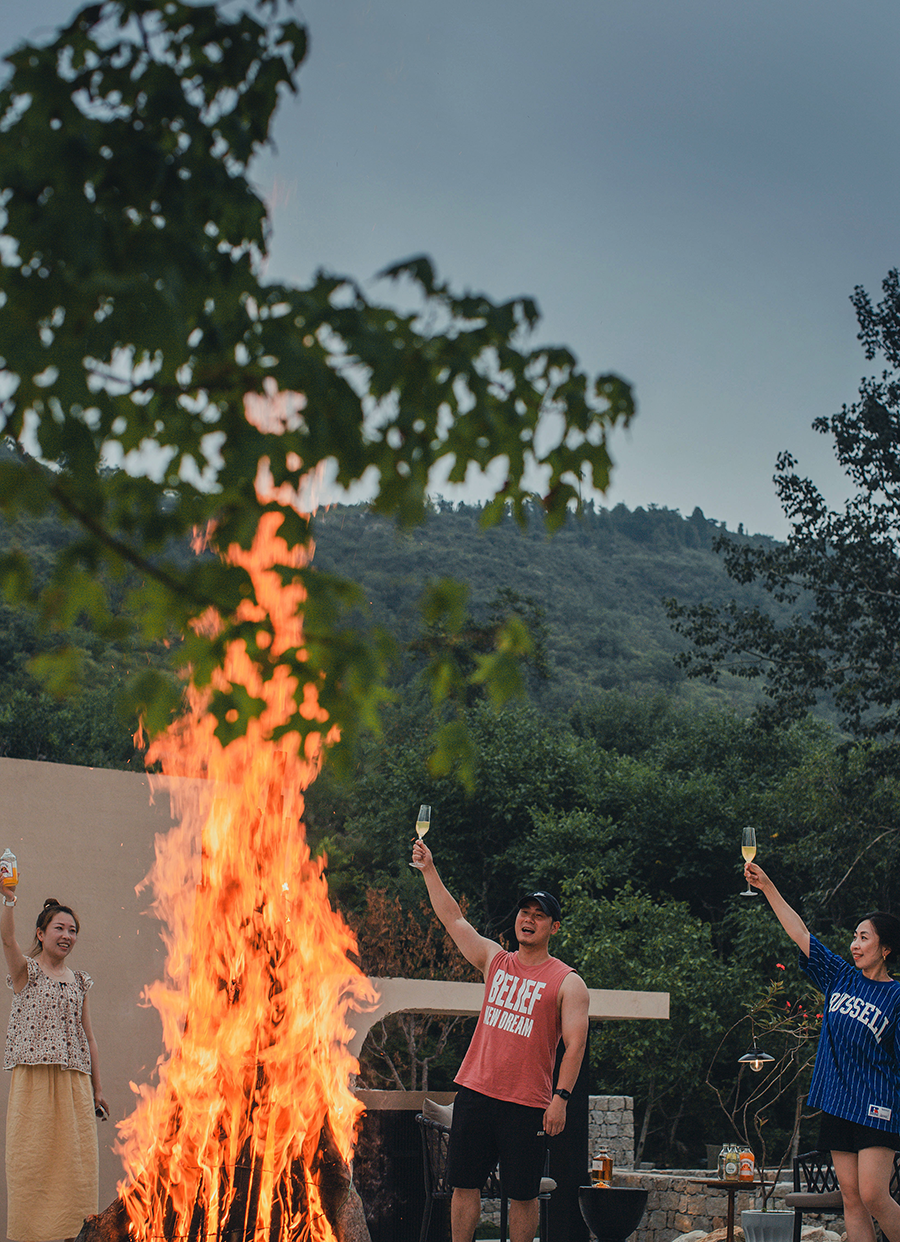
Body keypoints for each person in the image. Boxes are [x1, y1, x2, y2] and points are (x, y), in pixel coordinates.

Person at [412, 839, 589, 1242]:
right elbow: (454, 921)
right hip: (475, 1092)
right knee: (464, 1185)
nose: (528, 919)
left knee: (523, 1194)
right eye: (524, 913)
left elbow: (574, 1046)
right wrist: (429, 870)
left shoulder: (567, 982)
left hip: (527, 1102)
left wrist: (560, 1098)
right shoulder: (495, 961)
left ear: (553, 928)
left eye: (539, 916)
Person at [744, 860, 900, 1242]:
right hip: (837, 1103)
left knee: (874, 1194)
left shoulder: (896, 996)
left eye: (864, 938)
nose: (855, 944)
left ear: (886, 948)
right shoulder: (839, 976)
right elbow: (800, 932)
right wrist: (767, 887)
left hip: (877, 1105)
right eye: (854, 936)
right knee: (851, 1199)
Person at [1, 880, 109, 1242]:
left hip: (75, 1087)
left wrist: (97, 1089)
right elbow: (6, 940)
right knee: (31, 1164)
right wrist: (9, 900)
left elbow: (89, 1038)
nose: (67, 936)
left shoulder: (80, 982)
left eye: (73, 930)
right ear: (41, 933)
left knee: (75, 1168)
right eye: (59, 928)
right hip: (34, 1084)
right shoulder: (25, 972)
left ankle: (72, 1234)